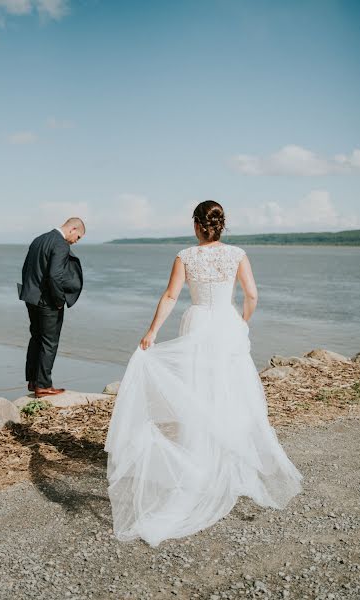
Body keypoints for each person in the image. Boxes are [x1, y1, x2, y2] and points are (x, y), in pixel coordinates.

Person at [104, 201, 303, 547]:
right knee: (231, 393)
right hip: (226, 325)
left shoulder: (185, 256)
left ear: (197, 225)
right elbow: (252, 295)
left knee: (198, 393)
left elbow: (170, 296)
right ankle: (230, 466)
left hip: (197, 324)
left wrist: (151, 332)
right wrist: (241, 323)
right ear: (221, 226)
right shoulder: (238, 254)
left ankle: (200, 468)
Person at [18, 218, 85, 398]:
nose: (75, 241)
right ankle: (43, 385)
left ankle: (33, 381)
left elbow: (26, 268)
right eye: (77, 237)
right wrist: (58, 300)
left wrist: (28, 290)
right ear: (72, 229)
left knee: (36, 338)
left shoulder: (38, 239)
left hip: (30, 297)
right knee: (49, 342)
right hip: (47, 301)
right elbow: (55, 276)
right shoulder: (61, 245)